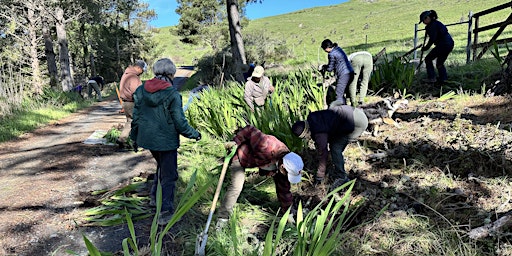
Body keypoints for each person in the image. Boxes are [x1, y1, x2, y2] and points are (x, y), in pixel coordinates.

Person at [129, 58, 201, 225]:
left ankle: (154, 198)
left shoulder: (141, 90)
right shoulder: (172, 93)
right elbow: (179, 122)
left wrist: (134, 137)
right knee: (169, 175)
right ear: (170, 74)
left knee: (162, 166)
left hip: (148, 139)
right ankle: (165, 212)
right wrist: (194, 134)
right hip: (166, 141)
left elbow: (136, 117)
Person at [217, 125, 304, 226]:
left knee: (282, 184)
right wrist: (235, 141)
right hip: (241, 157)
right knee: (237, 186)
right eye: (288, 174)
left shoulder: (285, 164)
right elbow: (250, 130)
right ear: (282, 167)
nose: (287, 177)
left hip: (254, 160)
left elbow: (284, 191)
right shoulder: (267, 145)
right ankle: (222, 218)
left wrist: (288, 214)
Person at [291, 100, 368, 189]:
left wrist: (320, 175)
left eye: (305, 137)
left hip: (357, 123)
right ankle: (337, 162)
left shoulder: (319, 133)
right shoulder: (313, 119)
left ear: (307, 132)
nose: (306, 139)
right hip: (354, 112)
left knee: (335, 148)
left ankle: (342, 176)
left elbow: (323, 152)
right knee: (335, 142)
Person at [117, 60, 147, 148]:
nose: (142, 73)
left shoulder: (126, 74)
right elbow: (137, 92)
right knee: (138, 121)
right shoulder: (133, 77)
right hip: (132, 103)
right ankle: (137, 142)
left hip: (125, 103)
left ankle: (122, 139)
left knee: (130, 121)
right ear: (138, 68)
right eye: (142, 70)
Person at [419, 10, 454, 83]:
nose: (423, 22)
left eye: (424, 20)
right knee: (440, 63)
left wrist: (426, 47)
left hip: (443, 44)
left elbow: (433, 38)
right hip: (449, 44)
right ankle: (443, 78)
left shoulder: (432, 26)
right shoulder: (436, 23)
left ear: (428, 18)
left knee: (428, 59)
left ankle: (432, 78)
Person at [320, 39, 354, 105]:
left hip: (344, 74)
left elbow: (330, 68)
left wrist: (324, 67)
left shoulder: (331, 54)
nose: (325, 51)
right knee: (343, 92)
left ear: (327, 48)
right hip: (351, 72)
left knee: (338, 94)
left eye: (324, 49)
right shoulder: (338, 49)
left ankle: (342, 111)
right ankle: (347, 107)